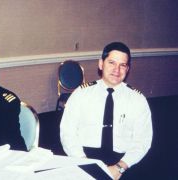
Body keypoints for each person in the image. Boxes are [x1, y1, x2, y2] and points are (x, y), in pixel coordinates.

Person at [60, 42, 153, 179]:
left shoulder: (138, 100)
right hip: (84, 156)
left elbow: (143, 141)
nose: (117, 70)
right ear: (101, 64)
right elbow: (67, 132)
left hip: (123, 161)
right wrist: (83, 161)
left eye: (122, 65)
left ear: (127, 69)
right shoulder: (81, 94)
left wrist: (121, 167)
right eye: (111, 63)